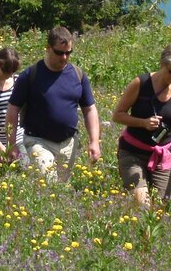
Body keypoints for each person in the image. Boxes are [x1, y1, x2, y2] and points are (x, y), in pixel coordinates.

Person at [111, 42, 171, 205]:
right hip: (132, 153)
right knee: (142, 204)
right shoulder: (141, 83)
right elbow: (117, 115)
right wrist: (143, 123)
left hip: (163, 156)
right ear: (162, 64)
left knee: (161, 208)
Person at [5, 26, 101, 181]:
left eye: (68, 53)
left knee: (61, 192)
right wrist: (11, 144)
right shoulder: (30, 75)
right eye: (59, 52)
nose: (64, 57)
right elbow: (13, 109)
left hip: (68, 144)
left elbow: (89, 109)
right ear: (48, 48)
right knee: (49, 183)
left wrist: (94, 141)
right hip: (38, 142)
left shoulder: (78, 75)